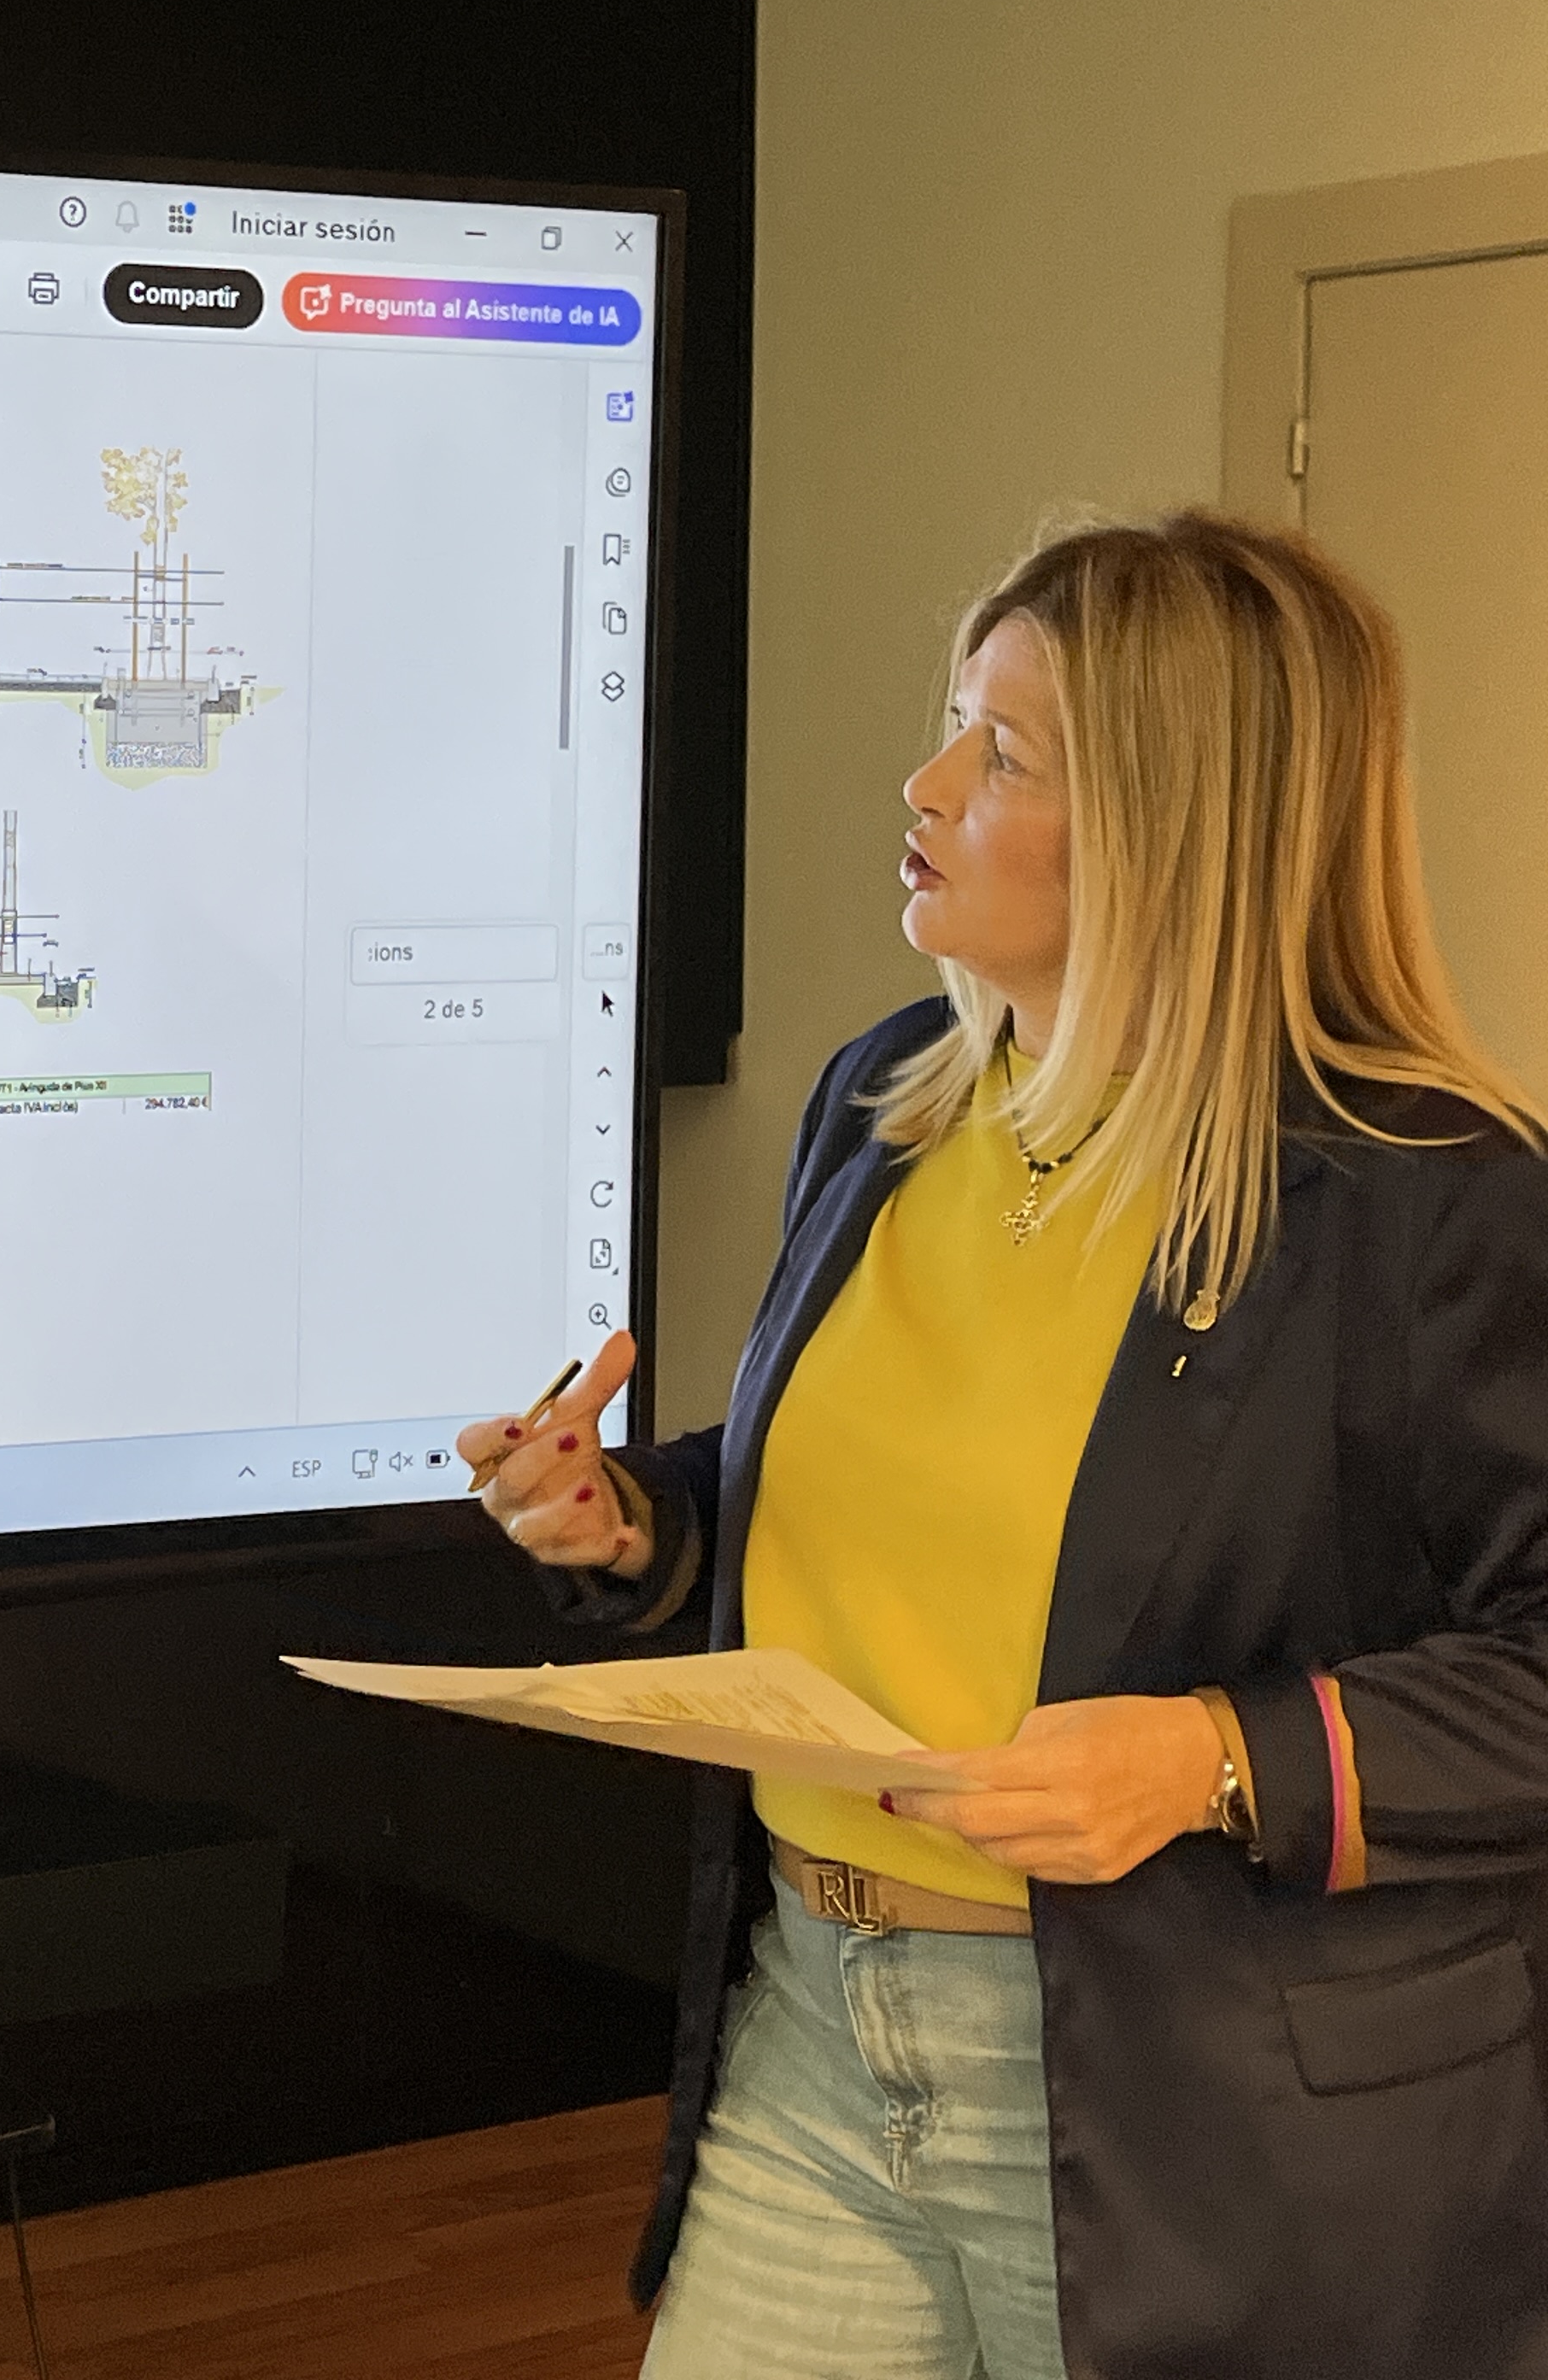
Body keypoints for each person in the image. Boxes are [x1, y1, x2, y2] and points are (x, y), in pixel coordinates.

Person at [459, 512, 1548, 2378]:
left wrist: (1216, 1758)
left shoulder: (1424, 1198)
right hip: (818, 2022)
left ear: (1176, 829)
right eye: (957, 725)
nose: (929, 783)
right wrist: (632, 1518)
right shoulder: (886, 1102)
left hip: (1196, 2103)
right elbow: (880, 1515)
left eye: (1009, 754)